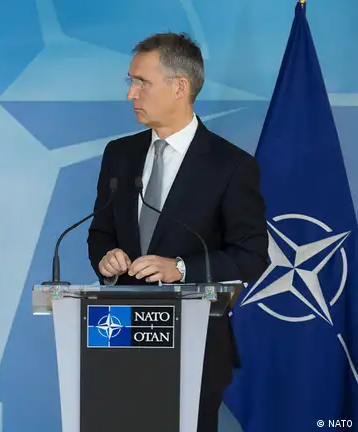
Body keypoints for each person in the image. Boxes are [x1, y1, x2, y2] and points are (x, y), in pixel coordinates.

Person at [86, 33, 268, 432]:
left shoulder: (231, 165)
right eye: (130, 82)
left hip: (194, 342)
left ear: (180, 87)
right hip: (118, 334)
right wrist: (106, 258)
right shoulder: (119, 154)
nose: (130, 94)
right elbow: (100, 232)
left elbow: (252, 255)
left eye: (142, 82)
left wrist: (181, 268)